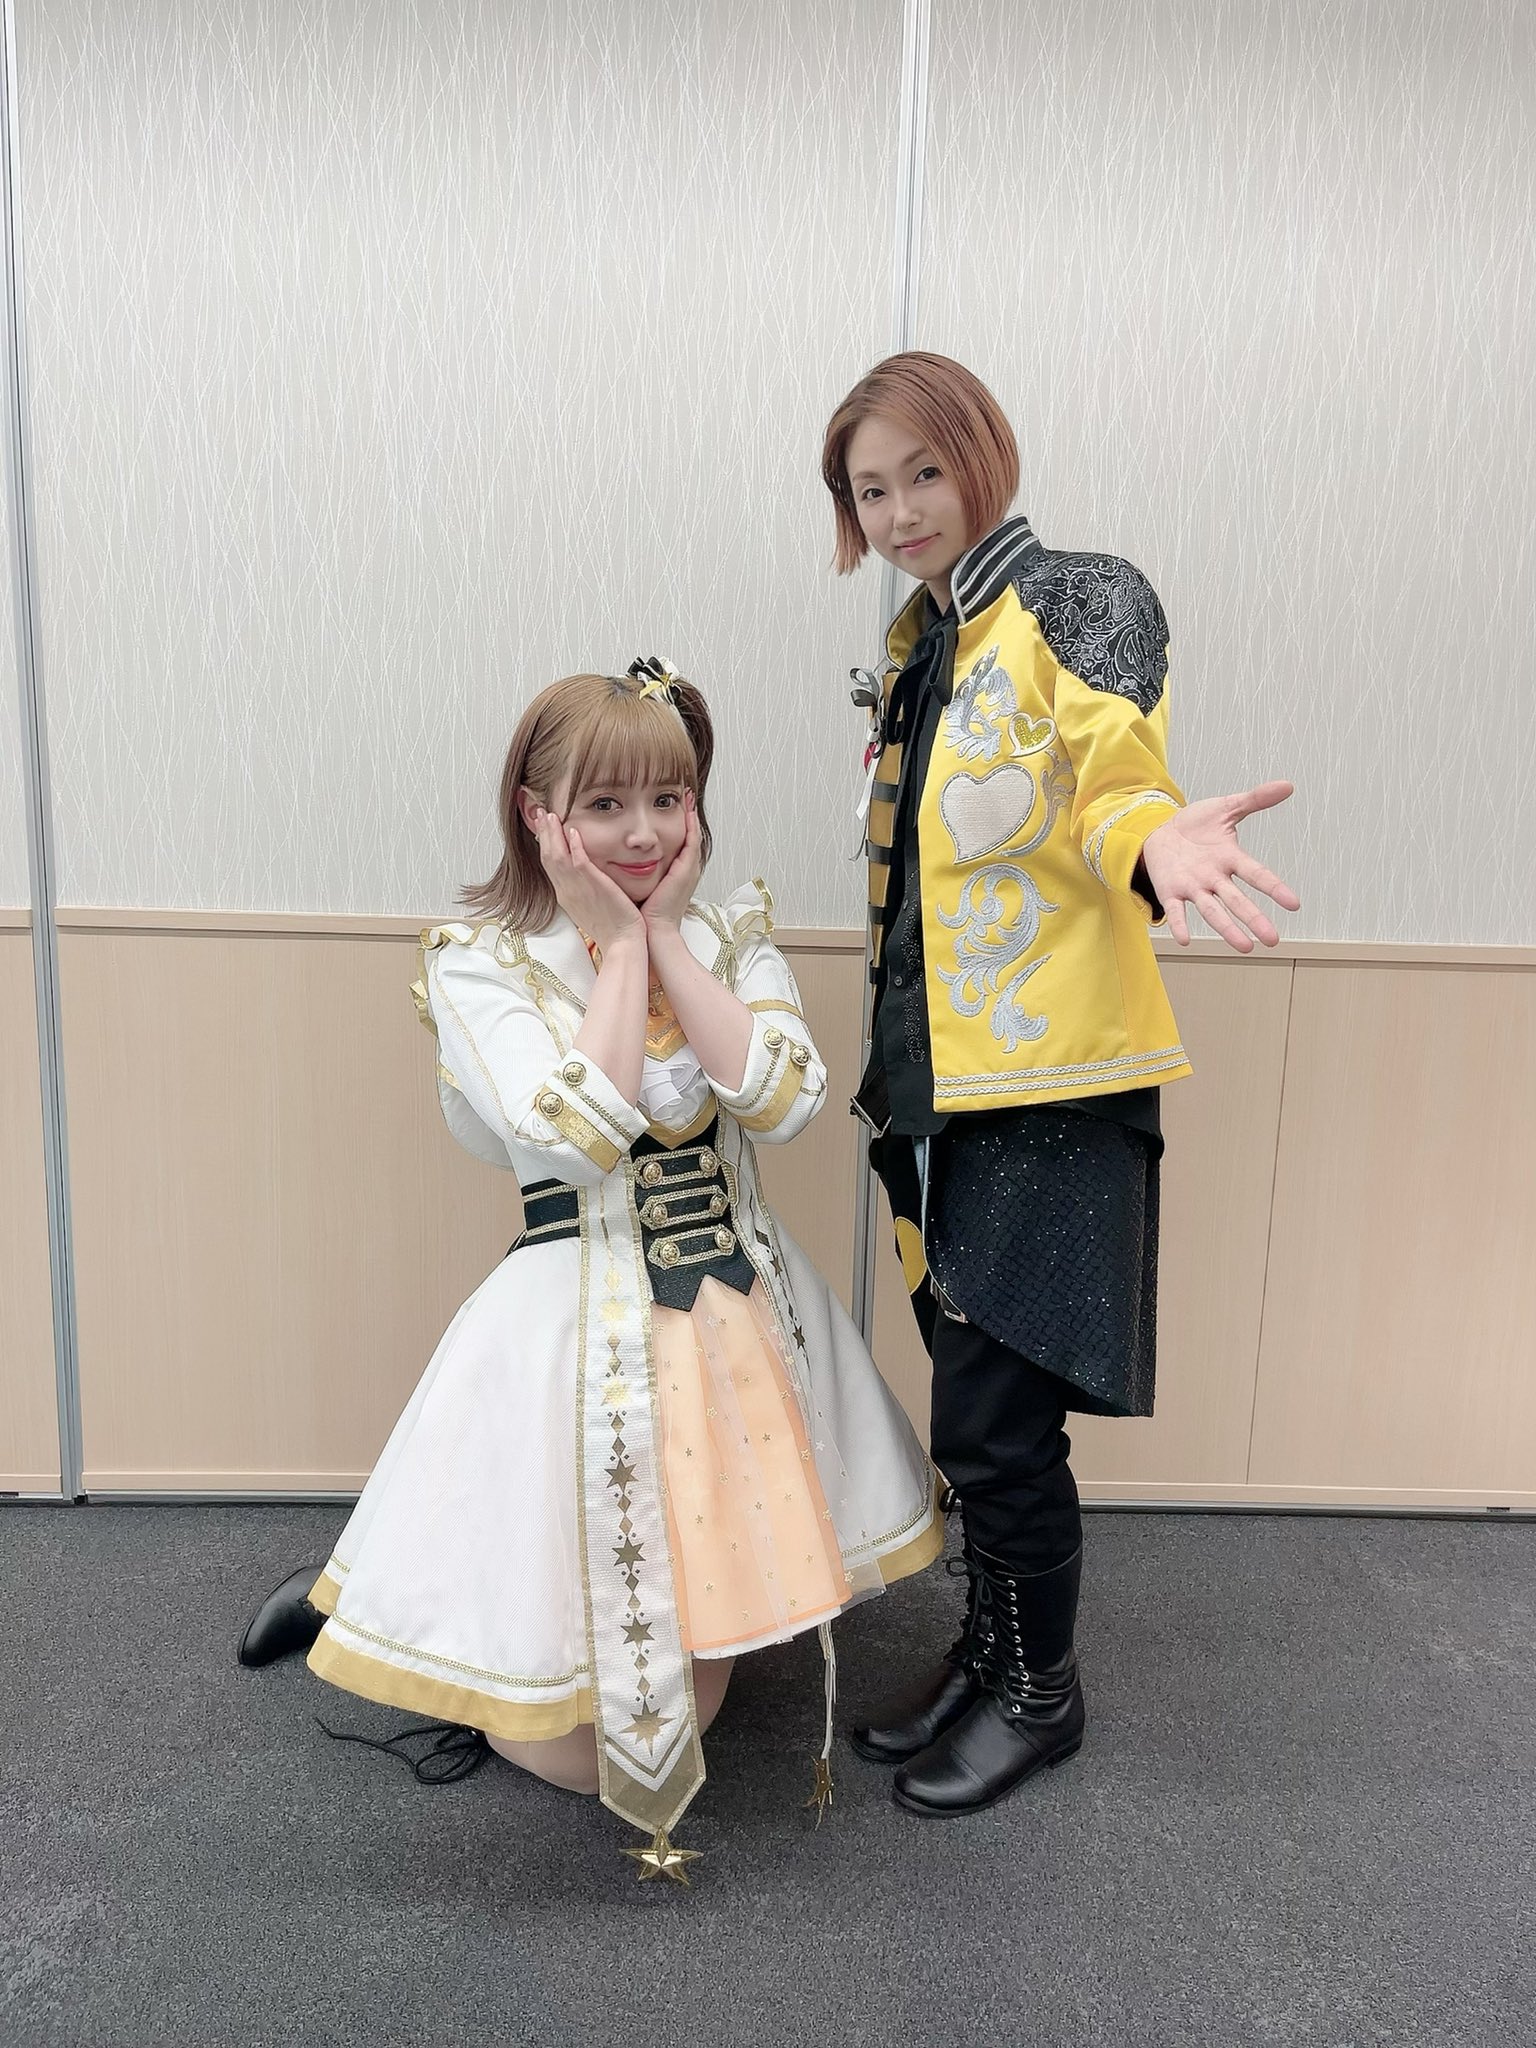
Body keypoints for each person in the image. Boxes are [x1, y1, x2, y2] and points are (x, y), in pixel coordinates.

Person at [274, 661, 941, 1876]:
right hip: (573, 1321)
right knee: (583, 1752)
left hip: (734, 1312)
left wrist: (668, 935)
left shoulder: (730, 930)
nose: (643, 833)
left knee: (699, 1691)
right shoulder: (483, 959)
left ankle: (453, 1609)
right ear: (539, 814)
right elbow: (576, 1131)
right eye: (605, 804)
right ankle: (424, 1622)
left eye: (668, 800)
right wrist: (621, 951)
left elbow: (786, 1099)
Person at [820, 353, 1300, 1818]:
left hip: (1049, 1087)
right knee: (972, 1402)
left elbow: (1113, 774)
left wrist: (1157, 839)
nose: (901, 509)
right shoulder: (927, 639)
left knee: (998, 1419)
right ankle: (991, 1654)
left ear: (984, 454)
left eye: (923, 471)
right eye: (871, 489)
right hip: (938, 1088)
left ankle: (1041, 1691)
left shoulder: (1077, 599)